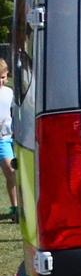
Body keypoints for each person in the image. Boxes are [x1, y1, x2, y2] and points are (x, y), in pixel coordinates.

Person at [0, 58, 16, 224]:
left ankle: (15, 208)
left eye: (3, 77)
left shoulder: (9, 92)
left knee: (11, 172)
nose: (1, 81)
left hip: (6, 138)